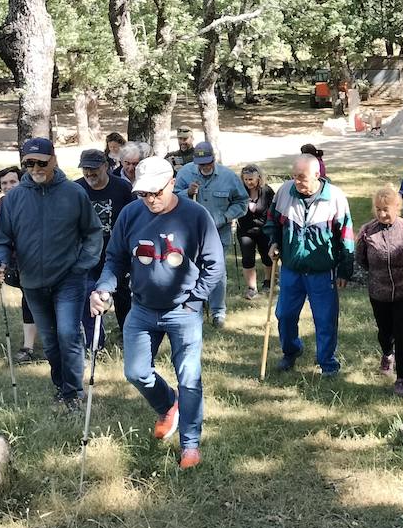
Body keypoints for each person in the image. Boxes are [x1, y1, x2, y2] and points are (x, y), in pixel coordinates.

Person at [91, 157, 224, 471]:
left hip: (183, 311)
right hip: (143, 308)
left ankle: (190, 445)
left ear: (172, 182)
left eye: (155, 192)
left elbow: (214, 265)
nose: (150, 199)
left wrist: (194, 301)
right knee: (135, 372)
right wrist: (103, 288)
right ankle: (168, 405)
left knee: (190, 378)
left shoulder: (195, 216)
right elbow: (114, 259)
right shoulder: (130, 214)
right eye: (143, 194)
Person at [0, 138, 104, 412]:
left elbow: (93, 232)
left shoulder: (74, 193)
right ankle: (61, 387)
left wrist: (82, 265)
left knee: (68, 334)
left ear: (53, 159)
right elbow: (1, 238)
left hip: (69, 279)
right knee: (51, 343)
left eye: (41, 162)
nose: (36, 168)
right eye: (29, 163)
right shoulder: (14, 198)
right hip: (32, 281)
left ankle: (73, 393)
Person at [266, 154, 355, 375]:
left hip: (322, 272)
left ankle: (327, 363)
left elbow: (346, 237)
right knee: (284, 315)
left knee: (325, 319)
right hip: (291, 269)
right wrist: (274, 241)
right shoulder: (285, 192)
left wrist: (345, 269)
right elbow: (272, 222)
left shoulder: (335, 197)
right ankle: (291, 351)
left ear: (317, 175)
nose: (297, 181)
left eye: (302, 177)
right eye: (294, 176)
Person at [355, 188, 403, 396]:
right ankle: (387, 353)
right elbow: (361, 259)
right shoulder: (368, 231)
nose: (382, 214)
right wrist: (378, 275)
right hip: (379, 292)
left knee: (402, 334)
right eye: (377, 210)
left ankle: (401, 378)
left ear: (397, 208)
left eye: (386, 210)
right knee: (385, 333)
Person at [174, 141, 248, 326]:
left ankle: (218, 312)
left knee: (217, 271)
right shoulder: (184, 173)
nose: (205, 167)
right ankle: (193, 307)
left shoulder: (228, 176)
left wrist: (225, 217)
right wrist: (186, 192)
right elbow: (171, 197)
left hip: (218, 232)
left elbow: (242, 202)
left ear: (213, 159)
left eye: (208, 162)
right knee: (190, 270)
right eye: (201, 164)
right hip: (190, 233)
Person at [75, 147, 136, 347]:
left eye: (94, 168)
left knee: (122, 297)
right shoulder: (76, 189)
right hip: (86, 254)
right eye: (85, 169)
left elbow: (133, 219)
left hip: (117, 253)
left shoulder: (123, 188)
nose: (89, 173)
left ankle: (128, 336)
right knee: (89, 296)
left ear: (106, 166)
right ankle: (95, 342)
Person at [0, 165, 40, 364]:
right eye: (4, 183)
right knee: (28, 298)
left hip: (39, 258)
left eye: (13, 181)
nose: (8, 186)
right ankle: (28, 347)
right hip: (16, 261)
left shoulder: (33, 201)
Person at [237, 165, 275, 300]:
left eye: (251, 179)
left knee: (267, 256)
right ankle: (252, 288)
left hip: (264, 229)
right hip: (245, 230)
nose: (249, 182)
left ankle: (268, 281)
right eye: (246, 179)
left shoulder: (267, 191)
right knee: (247, 258)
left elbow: (273, 210)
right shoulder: (240, 191)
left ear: (259, 178)